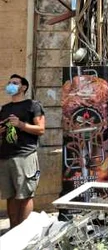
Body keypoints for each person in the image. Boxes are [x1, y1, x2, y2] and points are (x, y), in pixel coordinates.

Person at [0, 74, 45, 229]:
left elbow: (41, 129)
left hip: (25, 155)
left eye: (14, 83)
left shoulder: (32, 105)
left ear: (23, 87)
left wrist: (20, 124)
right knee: (10, 196)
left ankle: (25, 233)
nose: (10, 85)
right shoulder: (4, 109)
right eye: (9, 82)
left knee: (25, 194)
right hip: (5, 157)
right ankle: (13, 230)